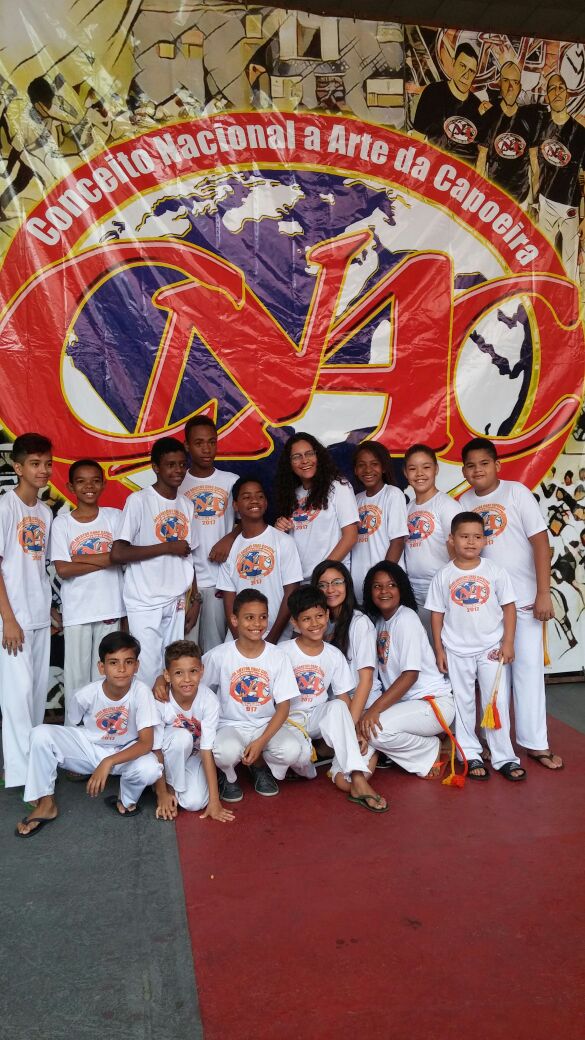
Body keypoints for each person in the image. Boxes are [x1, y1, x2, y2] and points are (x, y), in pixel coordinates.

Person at [460, 437, 563, 770]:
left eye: (484, 463)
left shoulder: (516, 493)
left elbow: (540, 543)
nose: (478, 470)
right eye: (471, 466)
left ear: (497, 465)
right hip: (486, 607)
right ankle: (496, 744)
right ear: (463, 471)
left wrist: (543, 592)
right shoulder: (464, 501)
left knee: (528, 672)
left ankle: (536, 744)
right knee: (493, 681)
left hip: (525, 601)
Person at [15, 632, 163, 836]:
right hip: (91, 748)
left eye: (128, 662)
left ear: (136, 666)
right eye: (113, 662)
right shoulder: (85, 695)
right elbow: (76, 722)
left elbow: (146, 743)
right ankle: (45, 802)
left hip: (127, 752)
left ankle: (126, 800)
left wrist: (108, 762)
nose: (121, 669)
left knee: (151, 768)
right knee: (40, 734)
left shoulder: (141, 692)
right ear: (101, 667)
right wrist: (97, 755)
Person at [425, 512, 523, 780]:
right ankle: (469, 753)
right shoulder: (444, 575)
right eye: (464, 536)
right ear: (451, 539)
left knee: (496, 702)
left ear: (485, 540)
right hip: (456, 649)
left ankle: (504, 757)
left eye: (477, 537)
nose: (471, 542)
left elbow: (509, 608)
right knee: (464, 702)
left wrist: (508, 642)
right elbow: (437, 615)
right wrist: (439, 650)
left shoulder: (494, 571)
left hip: (491, 647)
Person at [281, 586, 386, 812]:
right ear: (295, 623)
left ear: (328, 615)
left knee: (338, 706)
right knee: (300, 760)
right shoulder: (282, 652)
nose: (315, 623)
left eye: (319, 616)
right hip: (287, 721)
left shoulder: (333, 654)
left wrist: (354, 733)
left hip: (316, 718)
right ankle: (307, 759)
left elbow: (343, 698)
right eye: (306, 619)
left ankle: (357, 778)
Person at [111, 438, 199, 688]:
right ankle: (147, 715)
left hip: (176, 599)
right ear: (155, 467)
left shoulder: (187, 505)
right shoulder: (139, 500)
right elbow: (118, 553)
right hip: (145, 599)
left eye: (182, 464)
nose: (178, 470)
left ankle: (169, 714)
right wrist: (167, 547)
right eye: (170, 465)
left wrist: (195, 599)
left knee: (174, 670)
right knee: (148, 672)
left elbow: (188, 555)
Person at [202, 589, 305, 800]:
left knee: (292, 750)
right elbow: (195, 681)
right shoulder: (220, 655)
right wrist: (161, 680)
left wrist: (261, 742)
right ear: (234, 620)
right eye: (249, 617)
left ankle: (259, 766)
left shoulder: (278, 656)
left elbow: (283, 707)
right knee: (224, 752)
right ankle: (227, 775)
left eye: (263, 617)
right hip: (230, 725)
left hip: (264, 724)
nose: (257, 624)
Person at [359, 562, 456, 779]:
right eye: (377, 586)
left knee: (376, 732)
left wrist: (374, 710)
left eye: (391, 585)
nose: (384, 591)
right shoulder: (380, 622)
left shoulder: (406, 619)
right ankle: (423, 744)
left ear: (401, 588)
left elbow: (410, 675)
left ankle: (429, 748)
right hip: (407, 706)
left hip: (432, 703)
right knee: (366, 725)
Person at [50, 459, 124, 724]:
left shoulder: (114, 517)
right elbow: (63, 569)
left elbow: (120, 557)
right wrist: (106, 558)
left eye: (95, 481)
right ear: (71, 487)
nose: (88, 486)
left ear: (103, 484)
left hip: (110, 607)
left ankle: (102, 730)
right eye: (81, 482)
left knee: (107, 676)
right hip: (78, 611)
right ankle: (74, 731)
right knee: (77, 678)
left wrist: (79, 559)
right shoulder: (62, 524)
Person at [0, 433, 53, 789]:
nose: (43, 470)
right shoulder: (5, 508)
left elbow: (37, 568)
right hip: (13, 618)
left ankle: (30, 764)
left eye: (47, 464)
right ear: (18, 468)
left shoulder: (45, 512)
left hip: (38, 615)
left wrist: (50, 612)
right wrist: (8, 619)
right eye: (35, 464)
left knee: (35, 697)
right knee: (16, 699)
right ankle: (21, 776)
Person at [152, 640, 235, 823]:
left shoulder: (209, 700)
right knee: (182, 738)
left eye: (193, 671)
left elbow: (206, 750)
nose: (187, 679)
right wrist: (163, 794)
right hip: (168, 754)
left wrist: (215, 801)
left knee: (194, 803)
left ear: (202, 671)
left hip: (194, 756)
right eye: (178, 673)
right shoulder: (161, 701)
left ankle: (177, 786)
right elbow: (156, 749)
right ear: (167, 675)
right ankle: (166, 787)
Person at [217, 476, 302, 642]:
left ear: (266, 502)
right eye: (246, 497)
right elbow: (229, 600)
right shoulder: (231, 548)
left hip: (277, 637)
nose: (254, 500)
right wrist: (240, 641)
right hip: (239, 637)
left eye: (260, 496)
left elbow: (291, 592)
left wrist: (271, 640)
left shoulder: (284, 541)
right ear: (235, 505)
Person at [179, 415, 239, 650]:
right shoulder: (177, 484)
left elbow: (249, 520)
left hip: (220, 580)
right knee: (187, 651)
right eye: (199, 443)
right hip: (185, 583)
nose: (206, 449)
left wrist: (229, 538)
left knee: (216, 650)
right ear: (187, 446)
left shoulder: (231, 481)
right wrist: (191, 592)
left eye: (212, 442)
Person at [275, 432, 359, 581]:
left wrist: (321, 574)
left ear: (318, 456)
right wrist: (280, 529)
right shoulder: (291, 494)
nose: (304, 460)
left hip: (329, 580)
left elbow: (350, 536)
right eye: (297, 457)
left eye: (309, 454)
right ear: (289, 463)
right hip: (299, 582)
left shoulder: (337, 486)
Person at [310, 559, 380, 722]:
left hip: (362, 706)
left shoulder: (360, 622)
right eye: (322, 585)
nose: (330, 590)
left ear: (347, 585)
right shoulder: (321, 624)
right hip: (336, 705)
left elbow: (366, 680)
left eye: (337, 582)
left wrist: (351, 725)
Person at [403, 444, 460, 638]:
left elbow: (460, 553)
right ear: (405, 473)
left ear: (436, 469)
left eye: (426, 467)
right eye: (413, 468)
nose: (419, 473)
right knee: (425, 648)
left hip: (441, 588)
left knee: (444, 646)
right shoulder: (407, 508)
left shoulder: (447, 506)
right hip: (414, 591)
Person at [537, 73, 585, 281]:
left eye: (561, 88)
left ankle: (568, 303)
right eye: (552, 89)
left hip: (570, 208)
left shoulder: (580, 133)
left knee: (569, 268)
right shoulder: (540, 126)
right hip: (544, 203)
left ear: (567, 94)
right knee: (542, 263)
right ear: (547, 96)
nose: (556, 92)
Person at [350, 441, 408, 601]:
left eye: (374, 464)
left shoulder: (393, 494)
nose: (368, 470)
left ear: (383, 468)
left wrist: (381, 582)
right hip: (359, 587)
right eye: (361, 465)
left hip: (385, 588)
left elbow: (397, 541)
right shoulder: (355, 500)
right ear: (355, 470)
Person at [476, 61, 540, 205]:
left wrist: (535, 202)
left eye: (515, 82)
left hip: (521, 199)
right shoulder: (490, 115)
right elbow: (481, 159)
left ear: (520, 87)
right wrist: (479, 196)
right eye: (506, 81)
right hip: (494, 198)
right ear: (500, 83)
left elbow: (534, 163)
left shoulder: (529, 119)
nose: (510, 87)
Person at [411, 42, 485, 165]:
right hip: (433, 169)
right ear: (453, 63)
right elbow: (416, 138)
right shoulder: (433, 92)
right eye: (462, 66)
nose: (466, 75)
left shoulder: (478, 107)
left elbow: (481, 154)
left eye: (471, 71)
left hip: (463, 174)